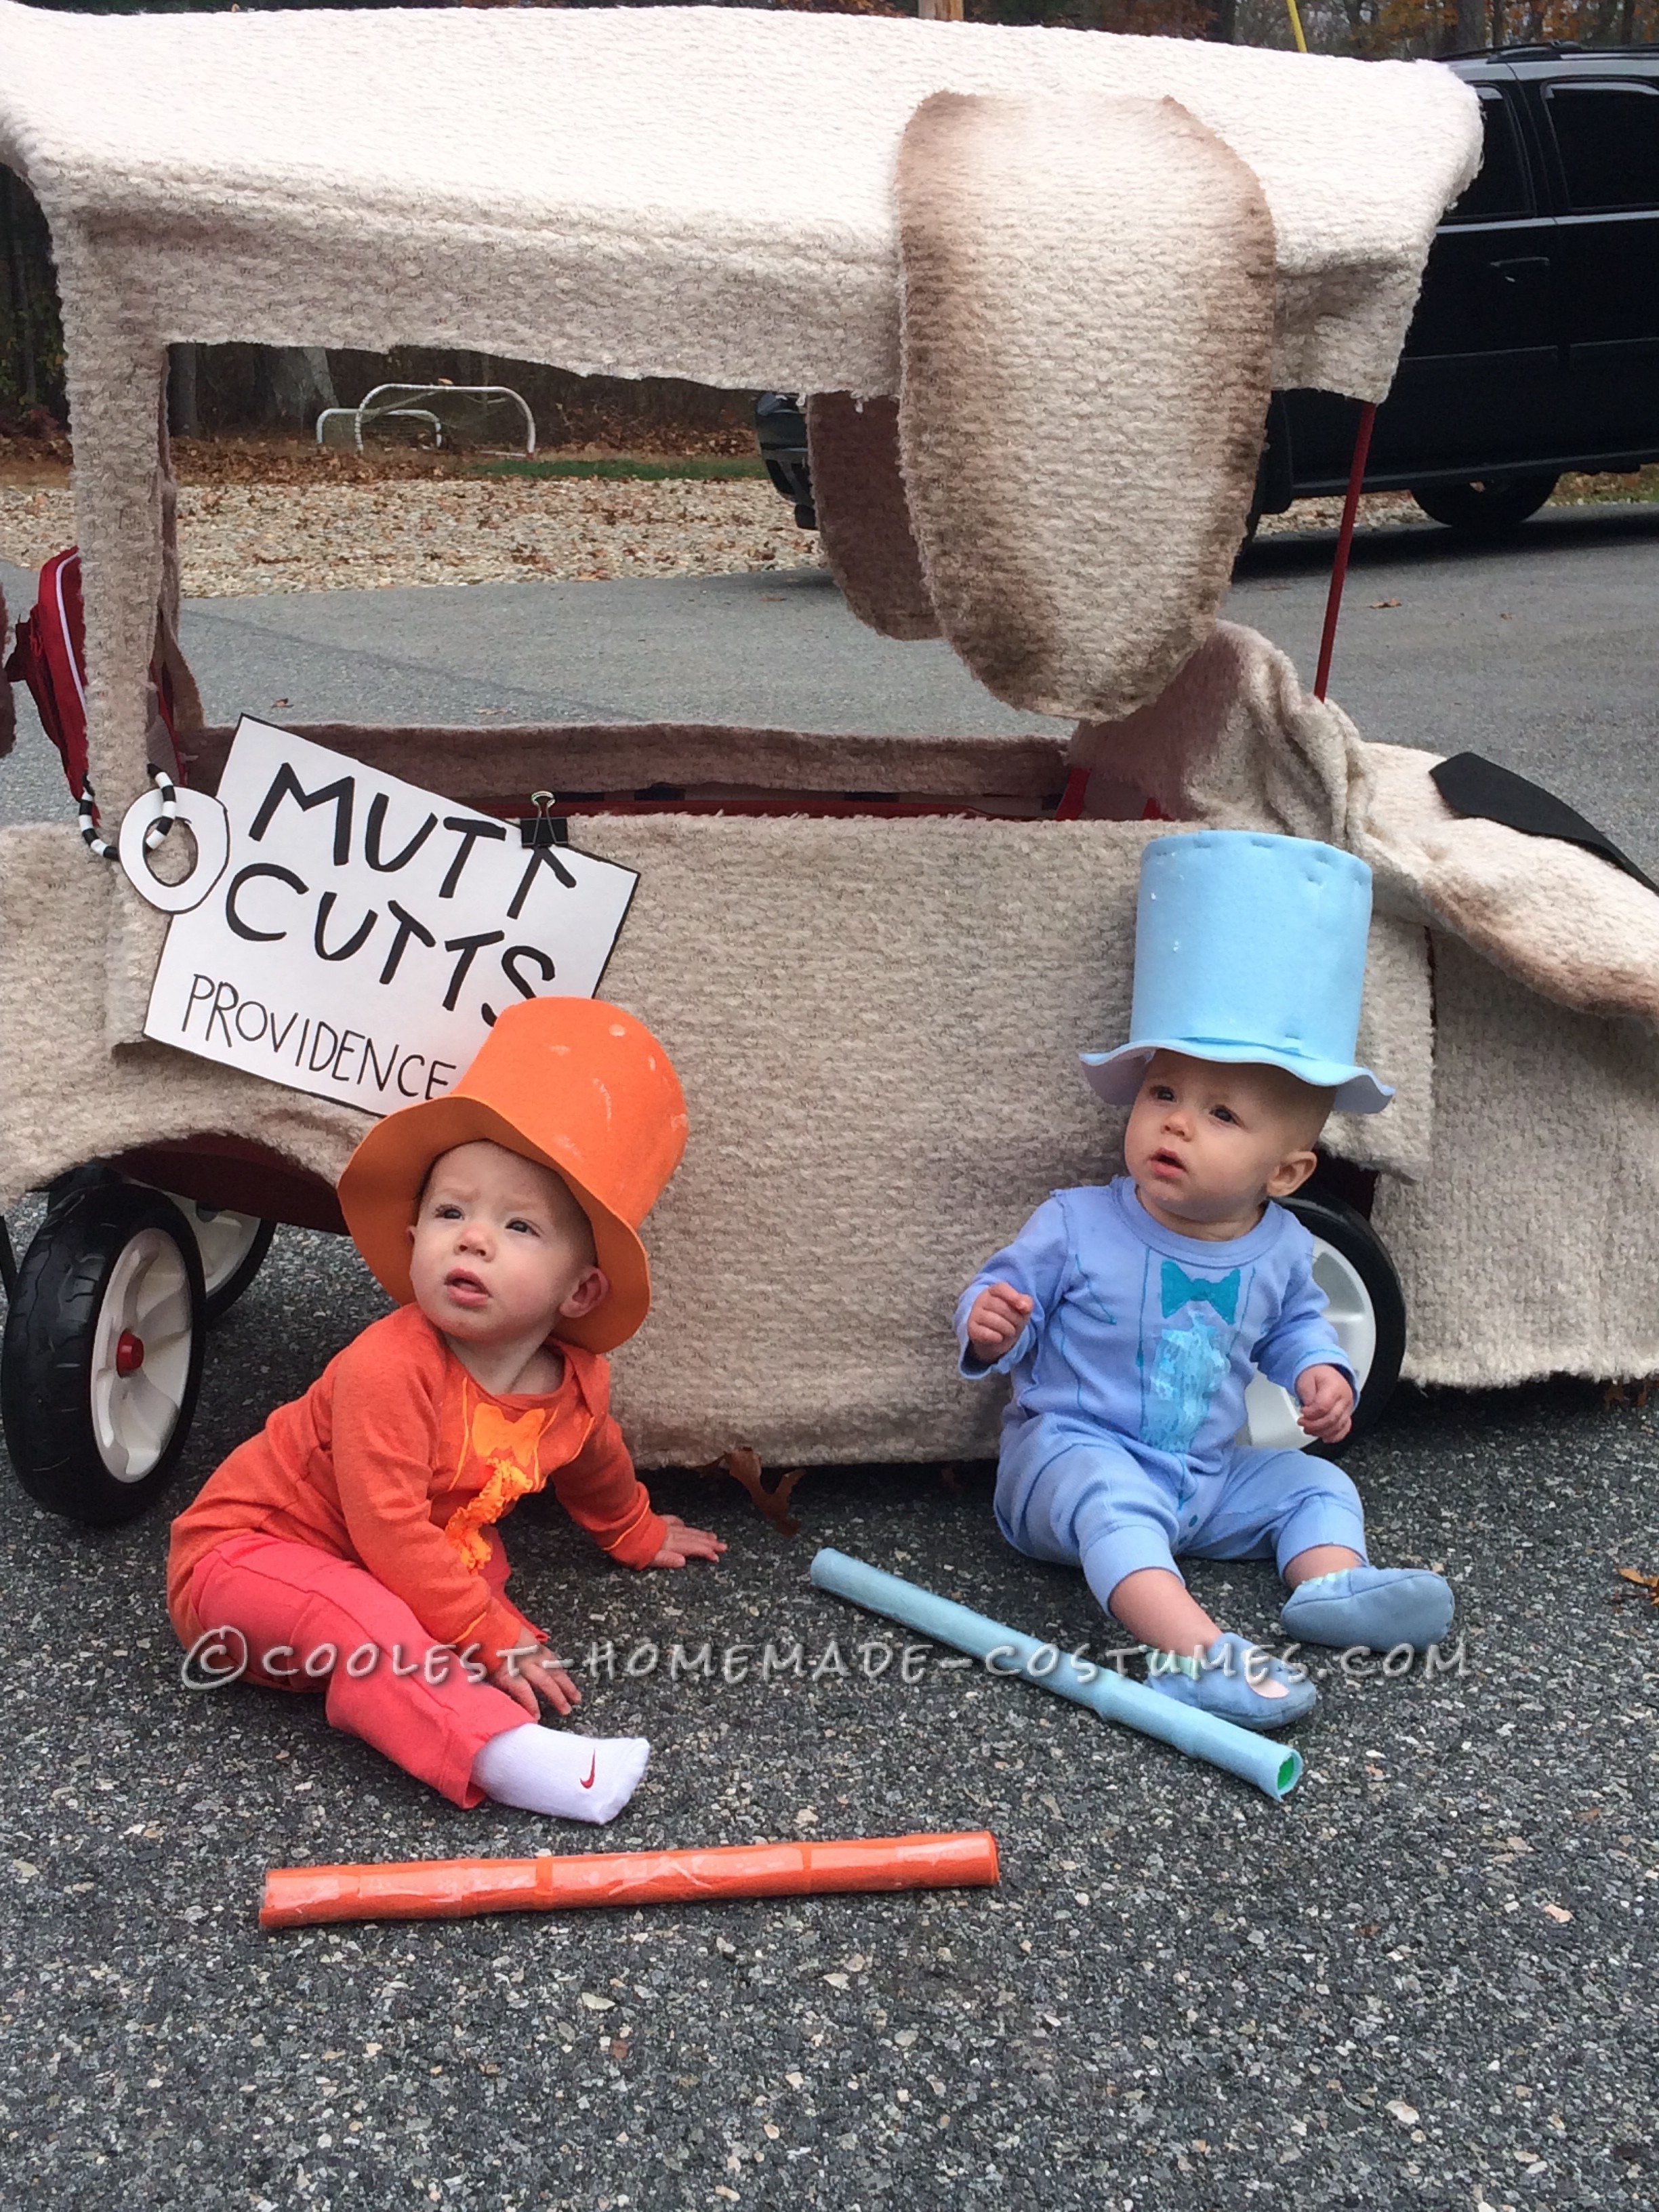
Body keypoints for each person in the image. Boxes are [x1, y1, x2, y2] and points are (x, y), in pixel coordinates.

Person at [167, 997, 723, 1821]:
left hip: (370, 1565)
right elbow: (391, 1529)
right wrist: (487, 1630)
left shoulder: (573, 1381)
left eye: (520, 1226)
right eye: (450, 1212)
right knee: (377, 1611)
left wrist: (634, 1531)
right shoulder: (389, 1365)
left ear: (581, 1290)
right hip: (243, 1563)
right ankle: (497, 1753)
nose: (473, 1239)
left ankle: (437, 1675)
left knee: (476, 1572)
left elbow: (594, 1459)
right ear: (415, 1230)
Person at [957, 832, 1452, 1731]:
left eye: (1220, 1113)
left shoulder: (1279, 1250)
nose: (1176, 1125)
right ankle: (1195, 1656)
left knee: (1316, 1485)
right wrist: (991, 1324)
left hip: (1203, 1475)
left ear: (1287, 1173)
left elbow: (1297, 1325)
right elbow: (1005, 1300)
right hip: (1069, 1463)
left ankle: (1329, 1583)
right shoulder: (1078, 1222)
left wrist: (1320, 1374)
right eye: (1163, 1094)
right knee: (1117, 1512)